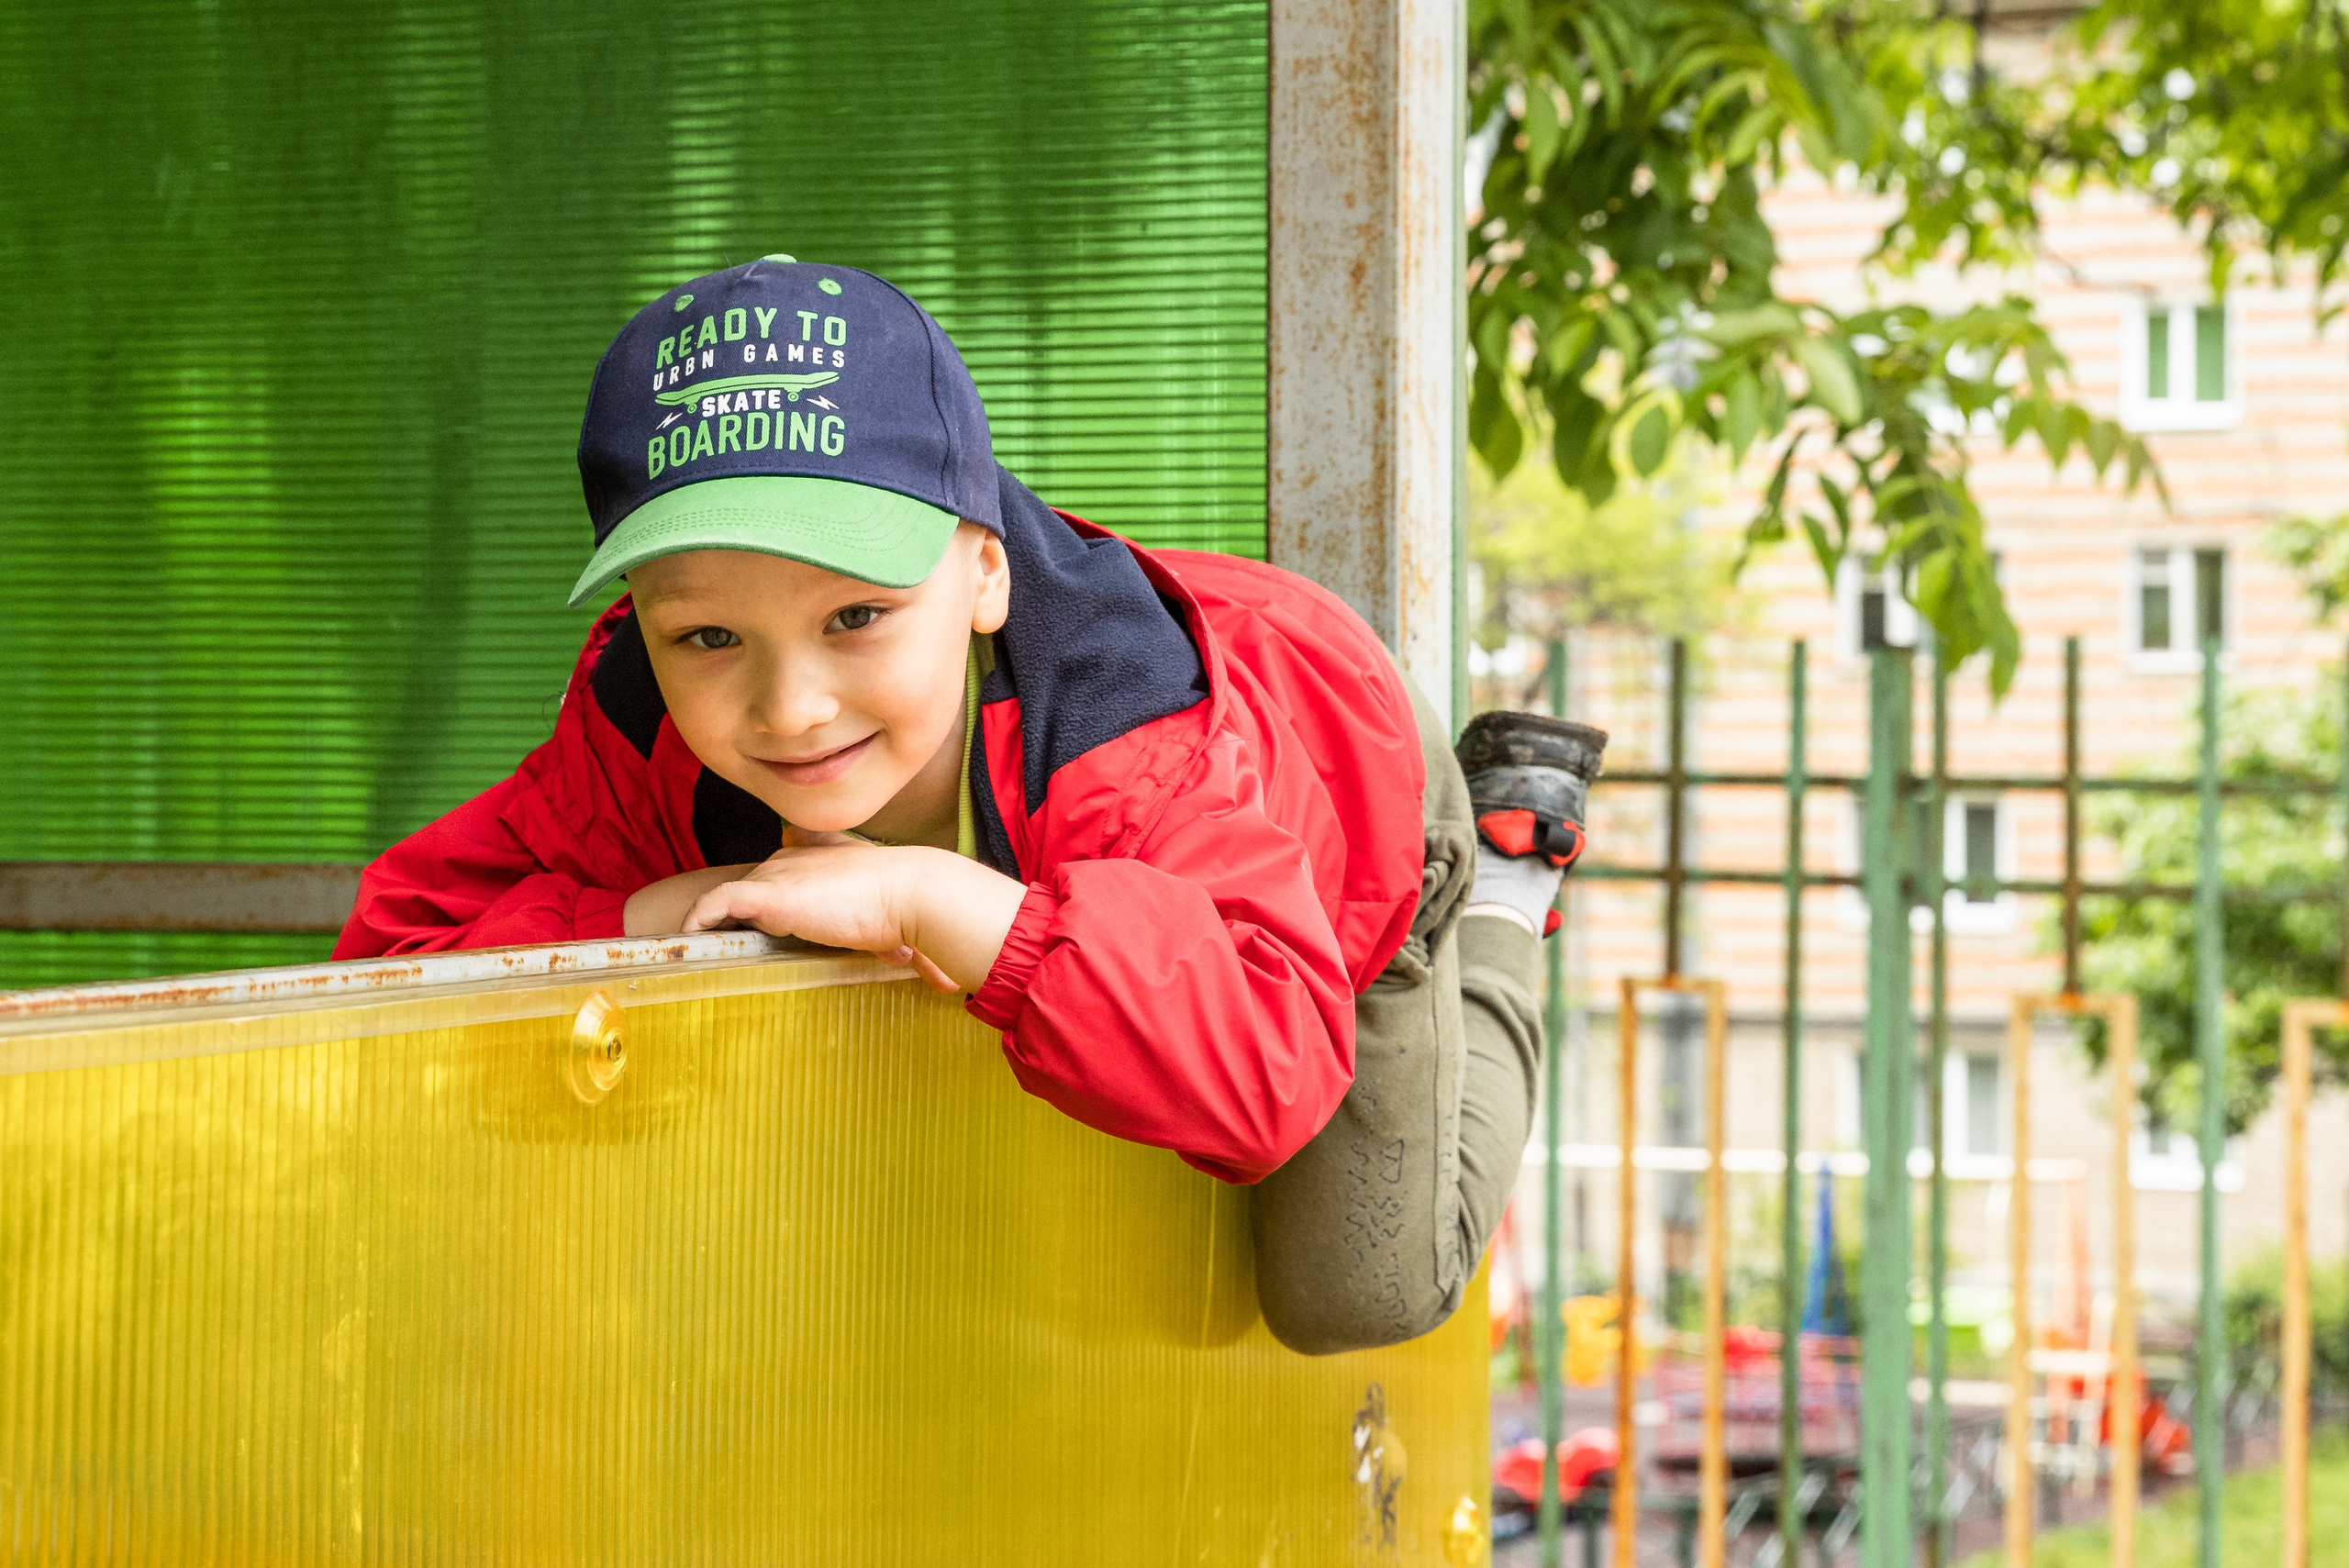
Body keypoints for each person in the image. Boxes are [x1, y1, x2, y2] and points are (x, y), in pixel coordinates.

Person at [337, 259, 1607, 1353]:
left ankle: (1504, 884)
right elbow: (389, 959)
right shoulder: (633, 720)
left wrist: (932, 899)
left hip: (1350, 781)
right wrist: (637, 910)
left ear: (984, 566)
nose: (790, 707)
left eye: (857, 616)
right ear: (643, 625)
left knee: (1353, 1293)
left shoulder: (1127, 735)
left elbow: (1270, 1072)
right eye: (711, 633)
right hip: (1136, 840)